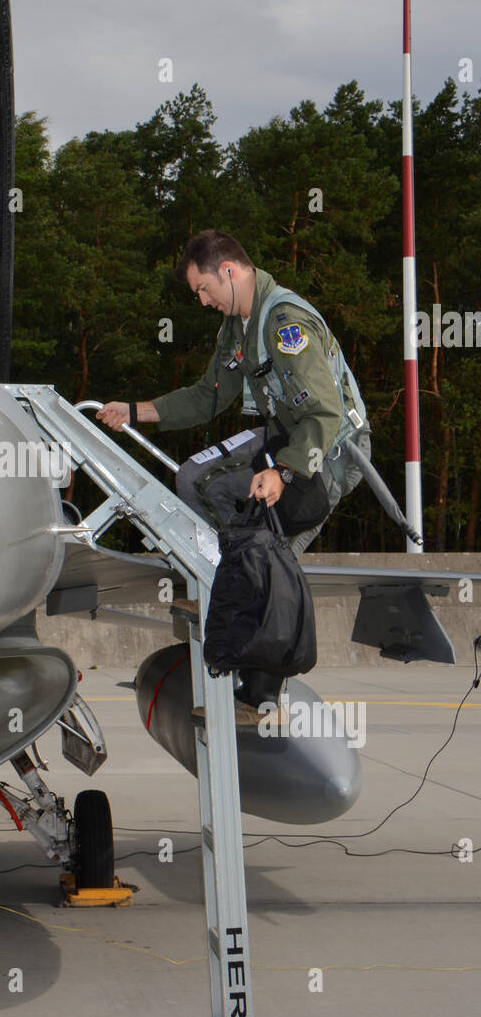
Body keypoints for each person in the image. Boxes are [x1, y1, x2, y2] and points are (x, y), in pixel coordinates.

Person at [97, 229, 371, 711]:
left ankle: (262, 682)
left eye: (203, 289)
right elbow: (207, 396)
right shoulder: (236, 329)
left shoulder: (285, 324)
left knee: (266, 555)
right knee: (195, 480)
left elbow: (325, 414)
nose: (203, 301)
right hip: (283, 435)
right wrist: (135, 411)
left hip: (328, 452)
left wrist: (283, 473)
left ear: (228, 271)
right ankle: (231, 585)